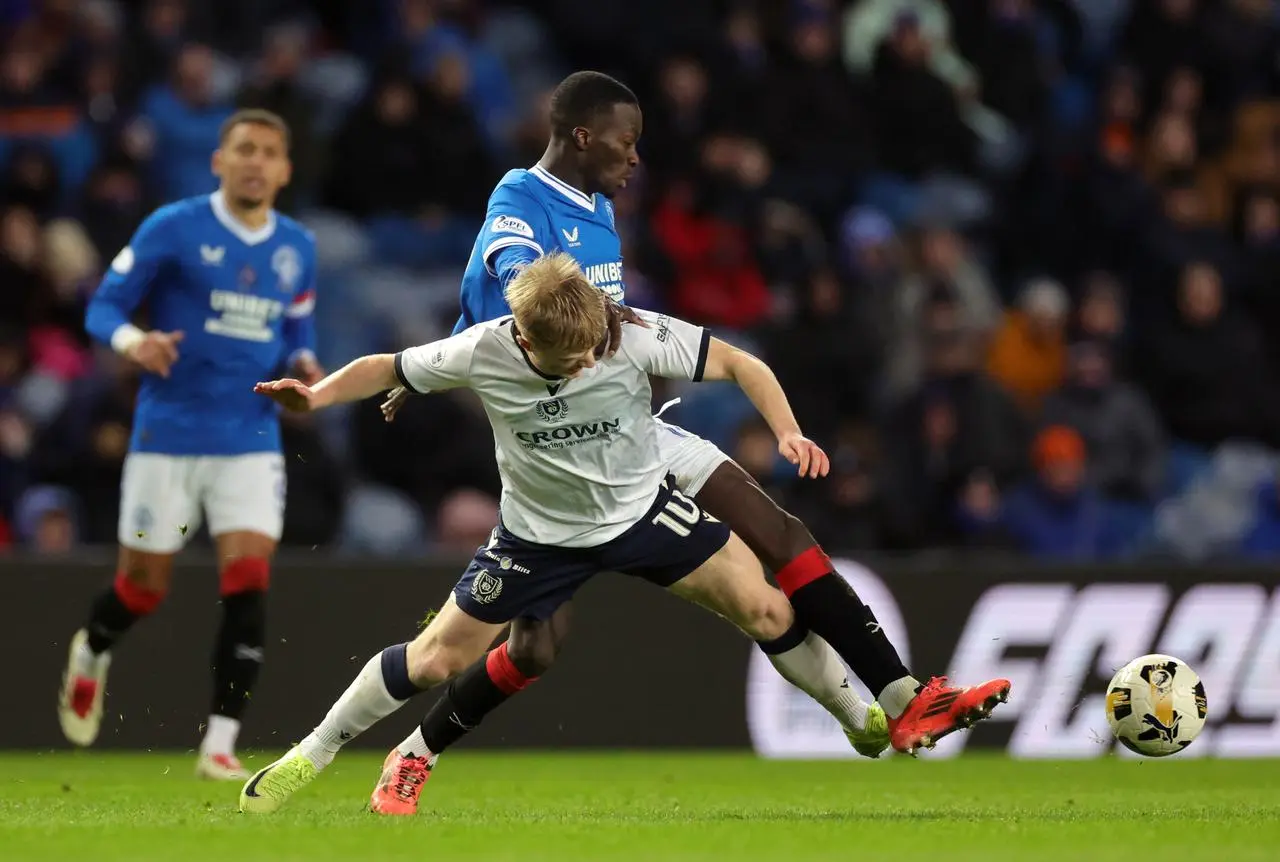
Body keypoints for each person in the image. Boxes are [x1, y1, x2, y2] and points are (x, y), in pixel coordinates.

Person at [376, 71, 996, 786]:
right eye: (626, 140)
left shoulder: (598, 210)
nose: (636, 156)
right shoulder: (520, 198)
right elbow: (508, 279)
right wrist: (423, 369)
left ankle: (901, 699)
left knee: (778, 540)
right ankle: (414, 754)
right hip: (563, 461)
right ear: (583, 135)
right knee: (533, 649)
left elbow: (477, 309)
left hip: (637, 434)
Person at [239, 253, 1011, 815]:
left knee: (771, 610)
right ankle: (316, 754)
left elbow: (742, 362)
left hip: (644, 513)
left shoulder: (627, 331)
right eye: (565, 360)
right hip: (537, 538)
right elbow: (385, 365)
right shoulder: (483, 349)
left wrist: (785, 431)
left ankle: (867, 723)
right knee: (441, 656)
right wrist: (316, 395)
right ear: (525, 339)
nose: (583, 368)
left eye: (590, 355)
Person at [57, 109, 322, 781]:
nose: (256, 161)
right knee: (143, 590)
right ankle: (91, 651)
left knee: (249, 581)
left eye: (269, 151)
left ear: (285, 170)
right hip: (168, 435)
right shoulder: (173, 227)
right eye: (244, 150)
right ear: (219, 161)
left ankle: (220, 745)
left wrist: (306, 366)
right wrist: (134, 343)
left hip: (250, 439)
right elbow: (102, 307)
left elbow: (298, 329)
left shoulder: (298, 246)